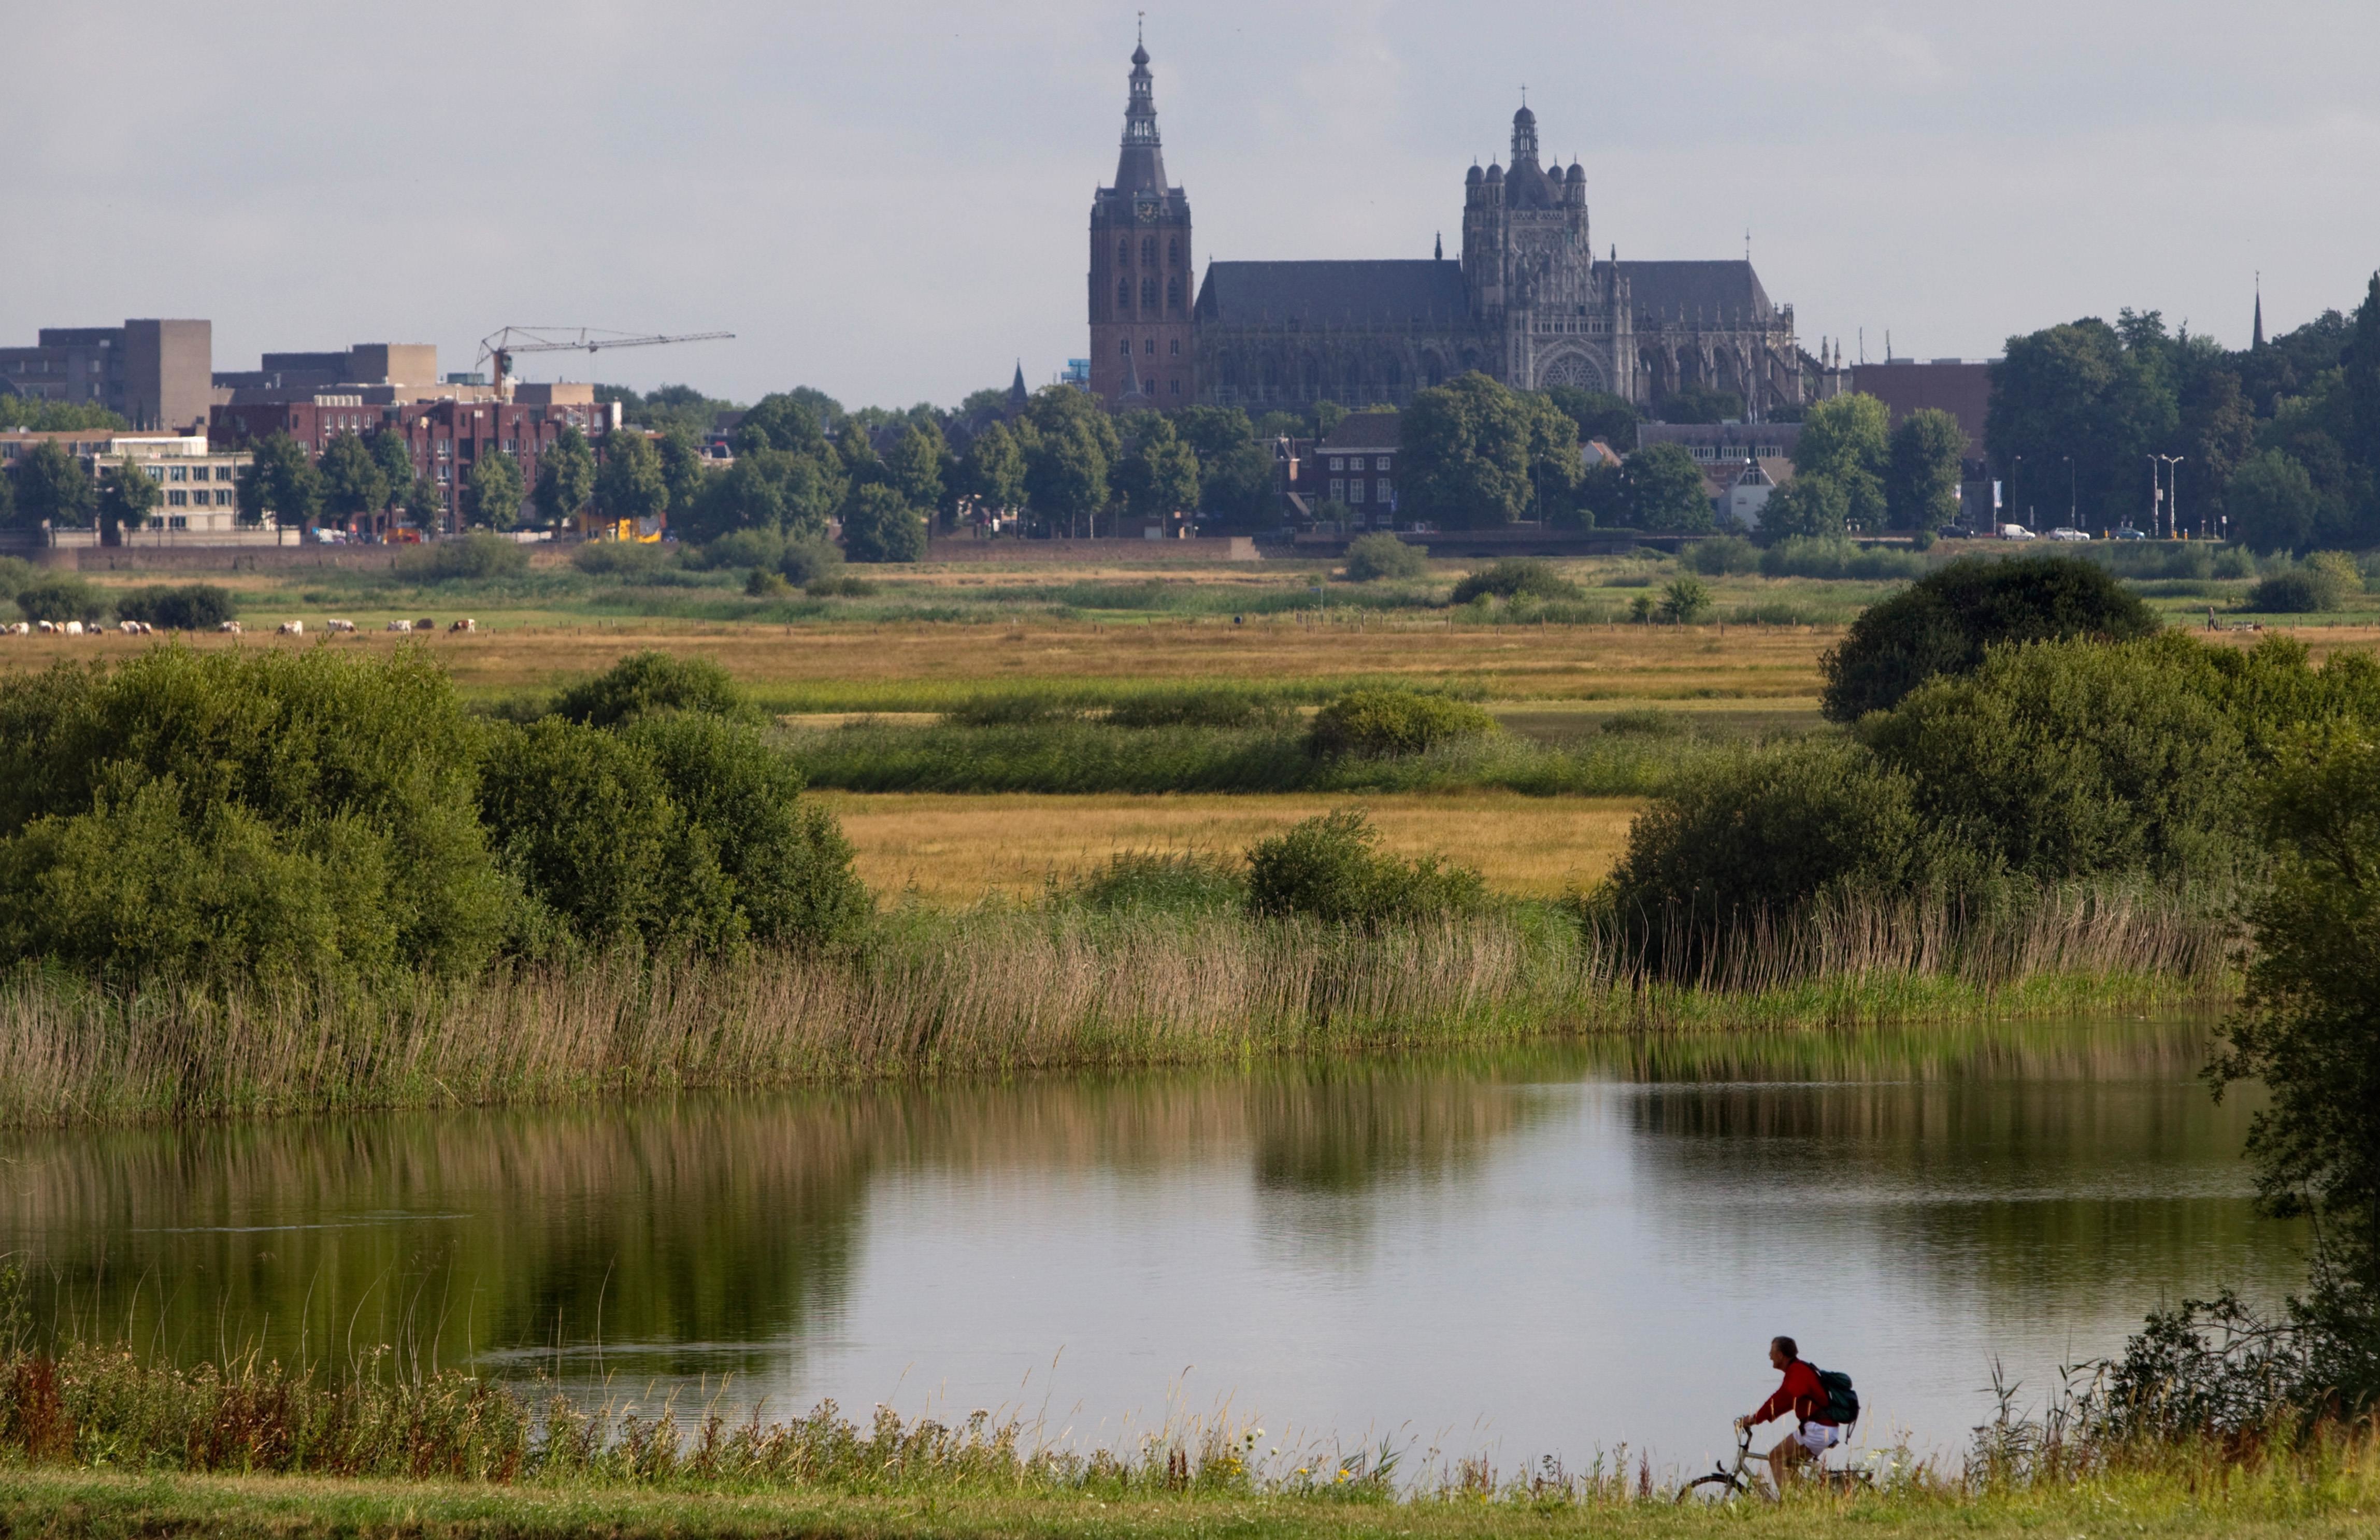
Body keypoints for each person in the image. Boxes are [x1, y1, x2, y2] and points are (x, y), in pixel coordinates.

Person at [1734, 1335, 1839, 1490]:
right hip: (1823, 1428)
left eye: (1772, 1352)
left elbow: (1780, 1399)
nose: (1770, 1356)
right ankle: (1809, 1500)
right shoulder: (1798, 1370)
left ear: (1780, 1355)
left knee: (1775, 1458)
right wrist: (1759, 1419)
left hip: (1818, 1430)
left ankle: (1787, 1504)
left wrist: (1755, 1418)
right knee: (1788, 1464)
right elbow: (1787, 1403)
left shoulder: (1797, 1372)